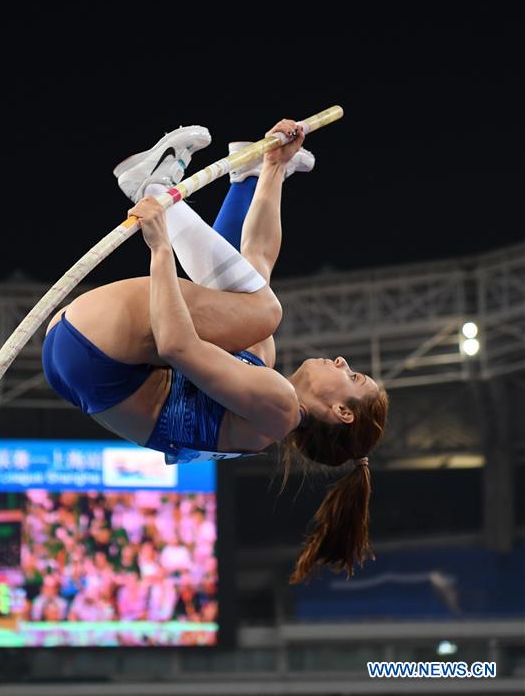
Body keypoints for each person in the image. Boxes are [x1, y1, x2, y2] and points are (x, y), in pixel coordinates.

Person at [42, 120, 389, 582]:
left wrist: (161, 244)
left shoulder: (279, 410)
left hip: (99, 360)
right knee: (257, 308)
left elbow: (176, 344)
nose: (344, 363)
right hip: (80, 355)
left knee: (264, 313)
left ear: (342, 412)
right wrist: (270, 168)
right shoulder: (262, 383)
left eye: (355, 378)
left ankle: (151, 183)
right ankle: (249, 178)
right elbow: (256, 258)